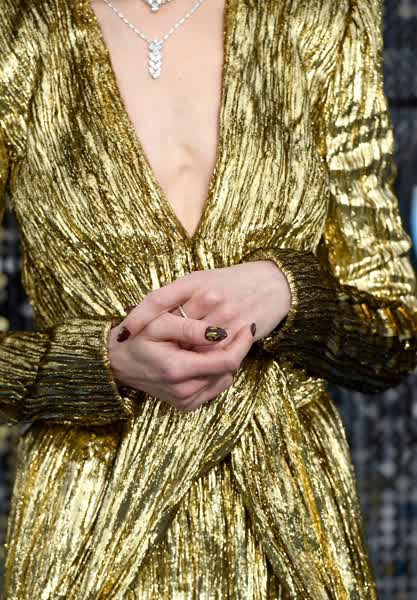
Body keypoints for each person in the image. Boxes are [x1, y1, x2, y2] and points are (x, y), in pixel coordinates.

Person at [1, 0, 416, 597]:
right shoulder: (17, 27)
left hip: (293, 525)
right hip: (92, 529)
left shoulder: (324, 15)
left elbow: (394, 335)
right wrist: (98, 362)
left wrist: (289, 290)